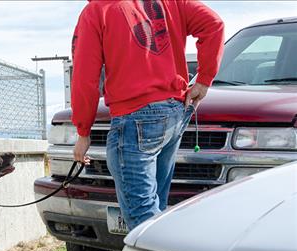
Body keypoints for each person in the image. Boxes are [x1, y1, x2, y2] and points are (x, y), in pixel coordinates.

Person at [70, 0, 224, 230]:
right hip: (174, 112)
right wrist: (203, 80)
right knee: (155, 213)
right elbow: (214, 24)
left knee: (143, 221)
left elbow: (85, 78)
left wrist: (83, 132)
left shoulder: (97, 11)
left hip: (135, 118)